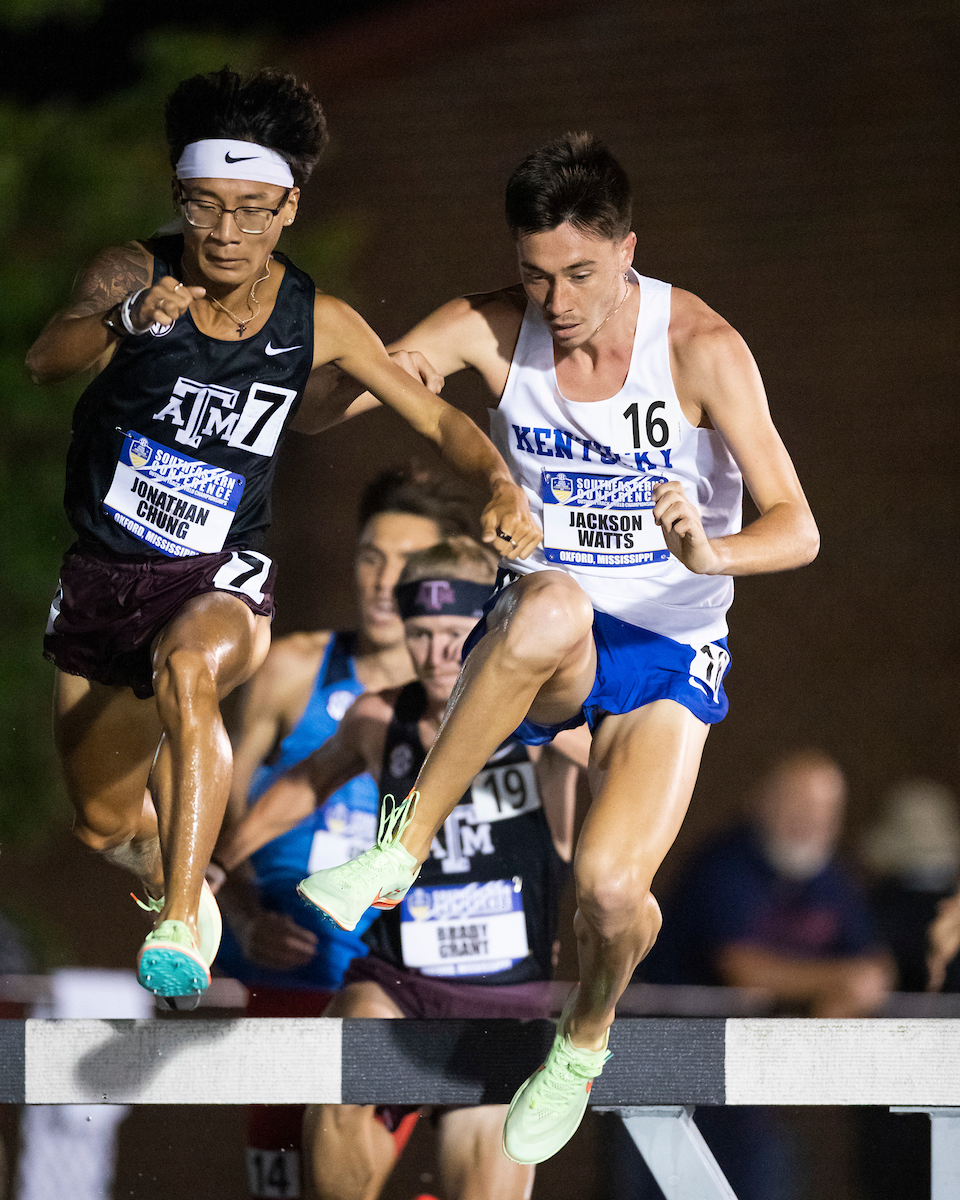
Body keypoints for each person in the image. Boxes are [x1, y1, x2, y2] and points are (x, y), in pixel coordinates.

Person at [289, 130, 820, 1162]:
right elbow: (353, 399)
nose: (560, 302)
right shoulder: (494, 329)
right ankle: (399, 848)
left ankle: (582, 1038)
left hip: (671, 653)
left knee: (615, 894)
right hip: (551, 639)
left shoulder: (702, 347)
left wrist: (711, 548)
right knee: (550, 604)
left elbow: (799, 525)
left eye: (580, 274)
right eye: (537, 277)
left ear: (628, 250)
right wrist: (322, 357)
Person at [27, 67, 537, 1005]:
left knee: (191, 670)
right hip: (105, 577)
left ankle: (181, 918)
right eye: (204, 207)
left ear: (290, 206)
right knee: (102, 824)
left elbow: (433, 420)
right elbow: (43, 359)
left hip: (221, 574)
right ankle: (161, 875)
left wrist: (501, 479)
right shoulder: (133, 271)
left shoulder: (321, 323)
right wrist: (127, 321)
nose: (225, 233)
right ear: (179, 198)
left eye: (253, 210)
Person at [217, 537, 588, 1200]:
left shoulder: (547, 723)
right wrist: (216, 868)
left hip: (503, 1002)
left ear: (493, 627)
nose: (439, 652)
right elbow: (302, 785)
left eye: (456, 633)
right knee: (342, 1056)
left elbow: (635, 757)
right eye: (420, 634)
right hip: (396, 982)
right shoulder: (378, 715)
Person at [214, 467, 473, 1199]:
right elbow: (220, 827)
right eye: (370, 556)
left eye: (407, 564)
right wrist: (243, 914)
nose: (384, 581)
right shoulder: (294, 668)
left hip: (400, 983)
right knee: (285, 1189)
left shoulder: (479, 704)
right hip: (283, 975)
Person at [631, 749, 891, 1200]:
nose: (810, 821)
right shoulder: (722, 865)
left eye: (825, 810)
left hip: (761, 1101)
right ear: (763, 801)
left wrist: (840, 1003)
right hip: (676, 1082)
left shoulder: (831, 878)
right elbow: (741, 967)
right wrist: (835, 982)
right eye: (798, 804)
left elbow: (873, 967)